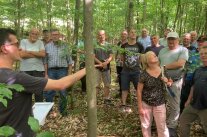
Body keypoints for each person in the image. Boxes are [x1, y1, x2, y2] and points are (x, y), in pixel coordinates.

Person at [0, 28, 86, 137]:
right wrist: (87, 69)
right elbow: (60, 84)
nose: (20, 47)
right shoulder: (17, 78)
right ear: (4, 49)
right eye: (16, 44)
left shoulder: (14, 77)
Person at [158, 32, 188, 137]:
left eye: (173, 39)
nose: (171, 41)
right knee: (161, 103)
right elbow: (157, 64)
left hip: (175, 82)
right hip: (161, 81)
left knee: (175, 105)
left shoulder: (183, 50)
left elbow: (180, 63)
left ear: (178, 40)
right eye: (169, 39)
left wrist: (164, 67)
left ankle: (172, 127)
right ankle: (160, 123)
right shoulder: (162, 51)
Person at [137, 51, 172, 137]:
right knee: (145, 126)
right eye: (152, 55)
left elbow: (170, 81)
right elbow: (139, 90)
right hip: (146, 104)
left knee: (162, 127)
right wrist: (140, 107)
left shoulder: (163, 70)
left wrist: (167, 81)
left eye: (155, 54)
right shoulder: (144, 73)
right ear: (147, 61)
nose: (155, 55)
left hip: (160, 103)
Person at [179, 45, 207, 137]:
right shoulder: (198, 70)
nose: (203, 55)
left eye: (206, 53)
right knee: (183, 120)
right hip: (194, 104)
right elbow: (193, 86)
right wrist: (188, 100)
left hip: (205, 108)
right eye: (201, 54)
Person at [44, 29, 73, 115]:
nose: (55, 36)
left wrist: (69, 74)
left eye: (56, 34)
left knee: (63, 91)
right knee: (49, 91)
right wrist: (45, 74)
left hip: (62, 71)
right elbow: (45, 61)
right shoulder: (47, 46)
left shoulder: (65, 46)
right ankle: (49, 111)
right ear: (51, 36)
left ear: (59, 35)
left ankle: (63, 111)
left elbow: (70, 61)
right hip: (51, 71)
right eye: (53, 35)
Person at [19, 28, 45, 102]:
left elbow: (42, 54)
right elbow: (22, 55)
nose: (34, 35)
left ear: (38, 35)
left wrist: (29, 51)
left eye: (36, 34)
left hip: (39, 70)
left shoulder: (40, 42)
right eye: (32, 33)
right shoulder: (23, 41)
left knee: (39, 92)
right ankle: (27, 111)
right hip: (25, 70)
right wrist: (37, 54)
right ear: (29, 34)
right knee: (26, 91)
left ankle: (39, 112)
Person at [121, 29, 144, 112]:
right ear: (128, 35)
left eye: (134, 32)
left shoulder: (139, 45)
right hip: (125, 70)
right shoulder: (124, 46)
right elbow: (122, 58)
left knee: (138, 88)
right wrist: (126, 65)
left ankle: (141, 105)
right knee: (124, 88)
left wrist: (139, 66)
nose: (133, 34)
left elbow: (141, 58)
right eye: (131, 32)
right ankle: (123, 104)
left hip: (136, 71)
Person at [180, 33, 202, 113]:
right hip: (189, 80)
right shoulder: (192, 52)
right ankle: (182, 113)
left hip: (201, 82)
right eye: (199, 42)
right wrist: (183, 78)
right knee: (184, 98)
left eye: (203, 42)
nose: (201, 44)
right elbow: (186, 67)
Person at [94, 30, 113, 105]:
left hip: (106, 67)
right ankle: (94, 100)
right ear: (97, 36)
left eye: (102, 35)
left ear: (105, 35)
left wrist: (106, 63)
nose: (101, 36)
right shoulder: (95, 45)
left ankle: (107, 98)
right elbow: (93, 56)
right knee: (96, 84)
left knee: (107, 84)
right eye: (99, 35)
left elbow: (111, 56)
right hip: (97, 67)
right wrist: (100, 63)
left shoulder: (109, 45)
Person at [115, 30, 128, 98]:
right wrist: (115, 59)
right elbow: (117, 52)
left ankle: (126, 94)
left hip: (125, 64)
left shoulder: (128, 43)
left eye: (125, 34)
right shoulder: (119, 43)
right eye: (122, 34)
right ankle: (120, 92)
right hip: (118, 63)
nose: (123, 35)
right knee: (119, 77)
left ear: (127, 35)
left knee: (125, 78)